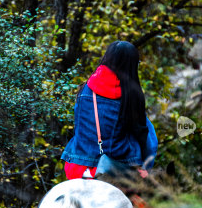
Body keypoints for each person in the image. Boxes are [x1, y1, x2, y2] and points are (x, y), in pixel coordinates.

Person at [62, 40, 158, 180]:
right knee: (147, 127)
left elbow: (79, 126)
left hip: (77, 167)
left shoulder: (85, 88)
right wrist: (145, 164)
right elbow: (142, 135)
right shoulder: (131, 95)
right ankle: (145, 170)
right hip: (114, 170)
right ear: (131, 65)